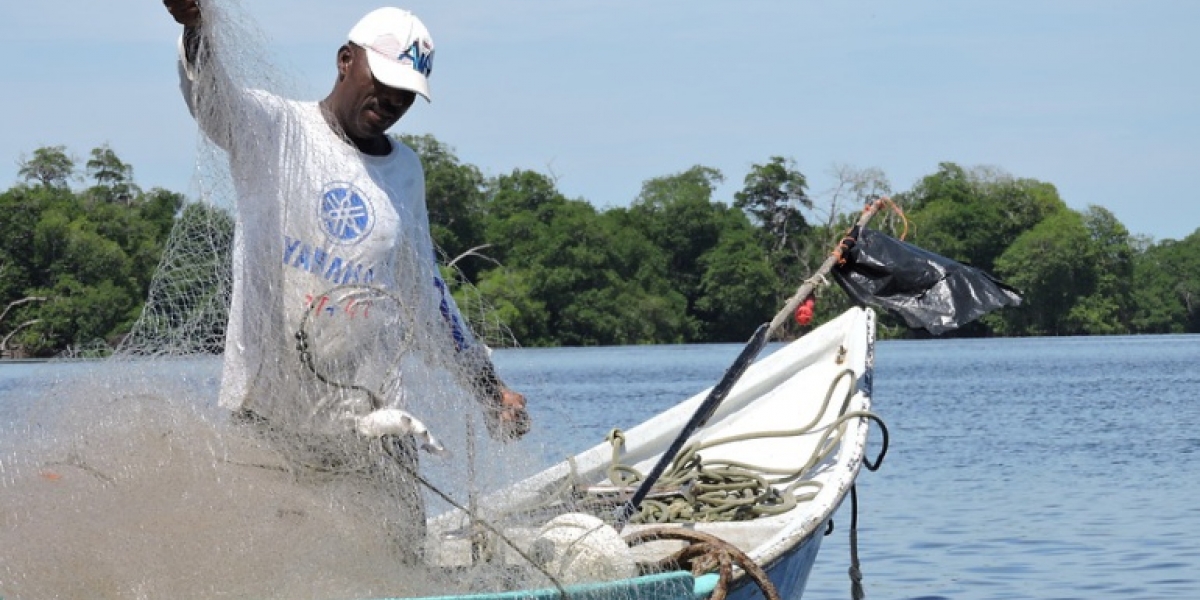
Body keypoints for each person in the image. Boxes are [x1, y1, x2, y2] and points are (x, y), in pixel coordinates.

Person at [161, 0, 530, 560]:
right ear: (345, 60)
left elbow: (426, 293)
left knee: (399, 563)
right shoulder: (276, 128)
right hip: (270, 416)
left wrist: (486, 388)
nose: (392, 101)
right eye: (383, 81)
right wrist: (195, 29)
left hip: (375, 421)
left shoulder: (405, 170)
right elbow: (212, 101)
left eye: (407, 93)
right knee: (272, 566)